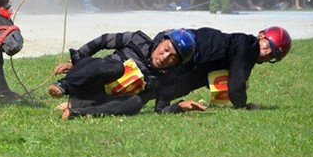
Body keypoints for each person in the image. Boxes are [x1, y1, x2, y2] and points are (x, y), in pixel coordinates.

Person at [49, 29, 201, 118]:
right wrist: (76, 61)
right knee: (116, 67)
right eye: (166, 50)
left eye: (173, 58)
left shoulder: (167, 78)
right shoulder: (136, 39)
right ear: (161, 41)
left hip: (101, 99)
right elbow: (103, 40)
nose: (165, 57)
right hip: (87, 79)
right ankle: (64, 85)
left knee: (136, 102)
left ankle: (77, 112)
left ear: (176, 63)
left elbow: (161, 109)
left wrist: (180, 106)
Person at [156, 26, 291, 110]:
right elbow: (235, 88)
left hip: (192, 53)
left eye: (272, 54)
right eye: (268, 46)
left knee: (154, 86)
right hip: (190, 52)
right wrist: (242, 106)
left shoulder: (240, 45)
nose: (266, 53)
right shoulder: (250, 46)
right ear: (261, 35)